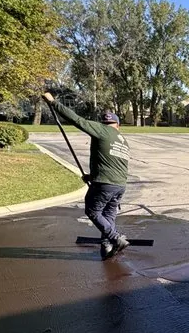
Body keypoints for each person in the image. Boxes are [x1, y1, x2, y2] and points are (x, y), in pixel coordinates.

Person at [42, 92, 131, 260]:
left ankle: (115, 238)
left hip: (105, 183)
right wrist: (91, 176)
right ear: (117, 125)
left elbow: (77, 120)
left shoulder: (102, 130)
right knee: (108, 216)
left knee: (92, 211)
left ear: (105, 123)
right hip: (119, 185)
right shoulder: (122, 140)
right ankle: (106, 247)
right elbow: (111, 163)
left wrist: (54, 103)